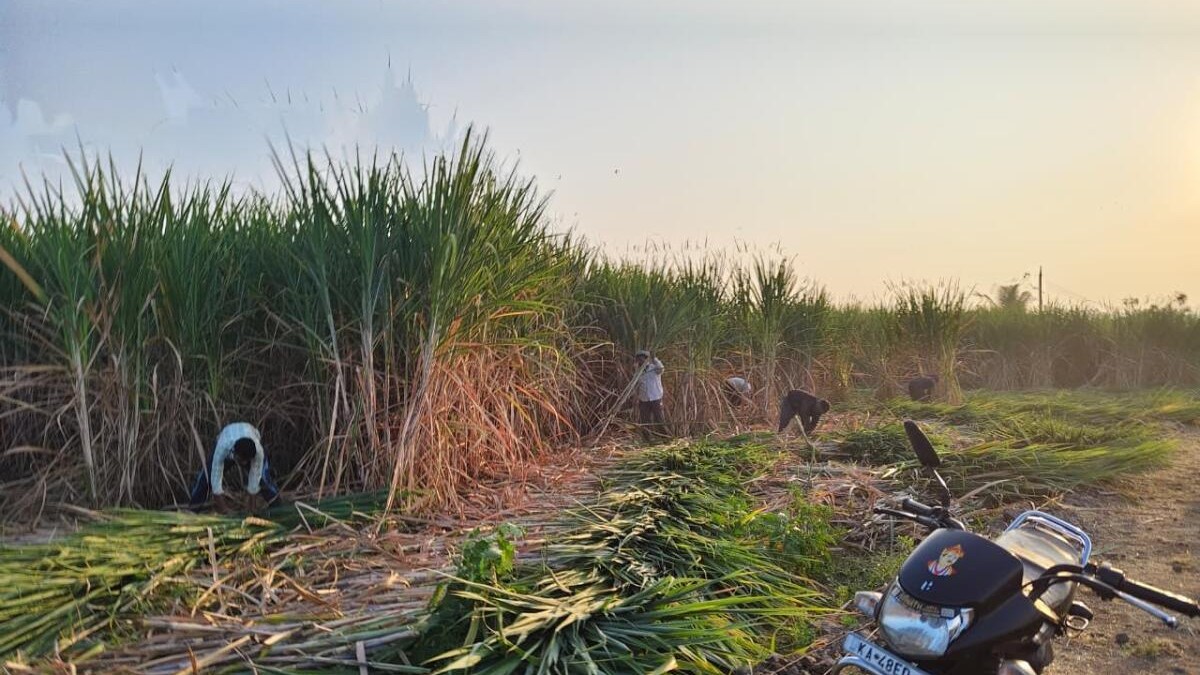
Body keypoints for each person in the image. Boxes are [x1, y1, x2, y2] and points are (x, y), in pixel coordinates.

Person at [188, 422, 281, 512]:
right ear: (235, 454)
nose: (243, 464)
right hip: (227, 437)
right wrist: (224, 510)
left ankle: (278, 508)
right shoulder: (223, 448)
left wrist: (252, 509)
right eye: (241, 461)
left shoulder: (258, 452)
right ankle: (192, 510)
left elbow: (255, 479)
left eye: (246, 462)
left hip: (248, 434)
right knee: (206, 479)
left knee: (264, 479)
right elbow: (215, 480)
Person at [634, 349, 667, 439]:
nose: (641, 360)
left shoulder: (654, 368)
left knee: (659, 419)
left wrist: (654, 358)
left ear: (646, 359)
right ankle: (647, 439)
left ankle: (666, 438)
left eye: (643, 358)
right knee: (645, 421)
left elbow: (661, 368)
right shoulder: (638, 371)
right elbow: (636, 385)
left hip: (655, 398)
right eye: (639, 359)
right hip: (643, 400)